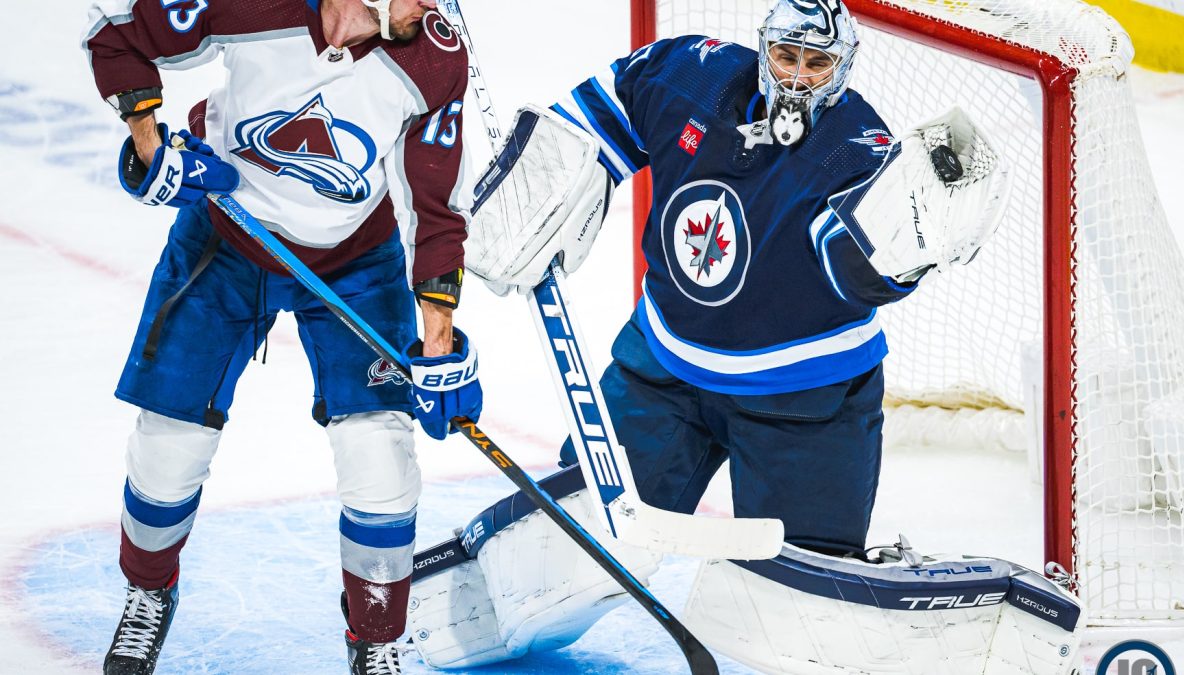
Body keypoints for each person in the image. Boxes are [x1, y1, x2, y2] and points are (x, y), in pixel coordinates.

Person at [403, 1, 1083, 673]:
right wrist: (547, 173)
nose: (797, 77)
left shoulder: (859, 154)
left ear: (843, 67)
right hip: (663, 372)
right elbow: (614, 100)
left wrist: (915, 232)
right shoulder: (688, 76)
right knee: (577, 540)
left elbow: (860, 268)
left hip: (807, 403)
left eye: (817, 64)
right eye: (786, 57)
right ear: (763, 50)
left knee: (799, 609)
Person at [82, 1, 483, 673]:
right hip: (225, 239)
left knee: (380, 454)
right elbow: (117, 33)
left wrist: (438, 342)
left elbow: (435, 206)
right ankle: (149, 590)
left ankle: (376, 636)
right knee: (168, 445)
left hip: (356, 259)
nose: (437, 5)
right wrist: (152, 150)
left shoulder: (434, 57)